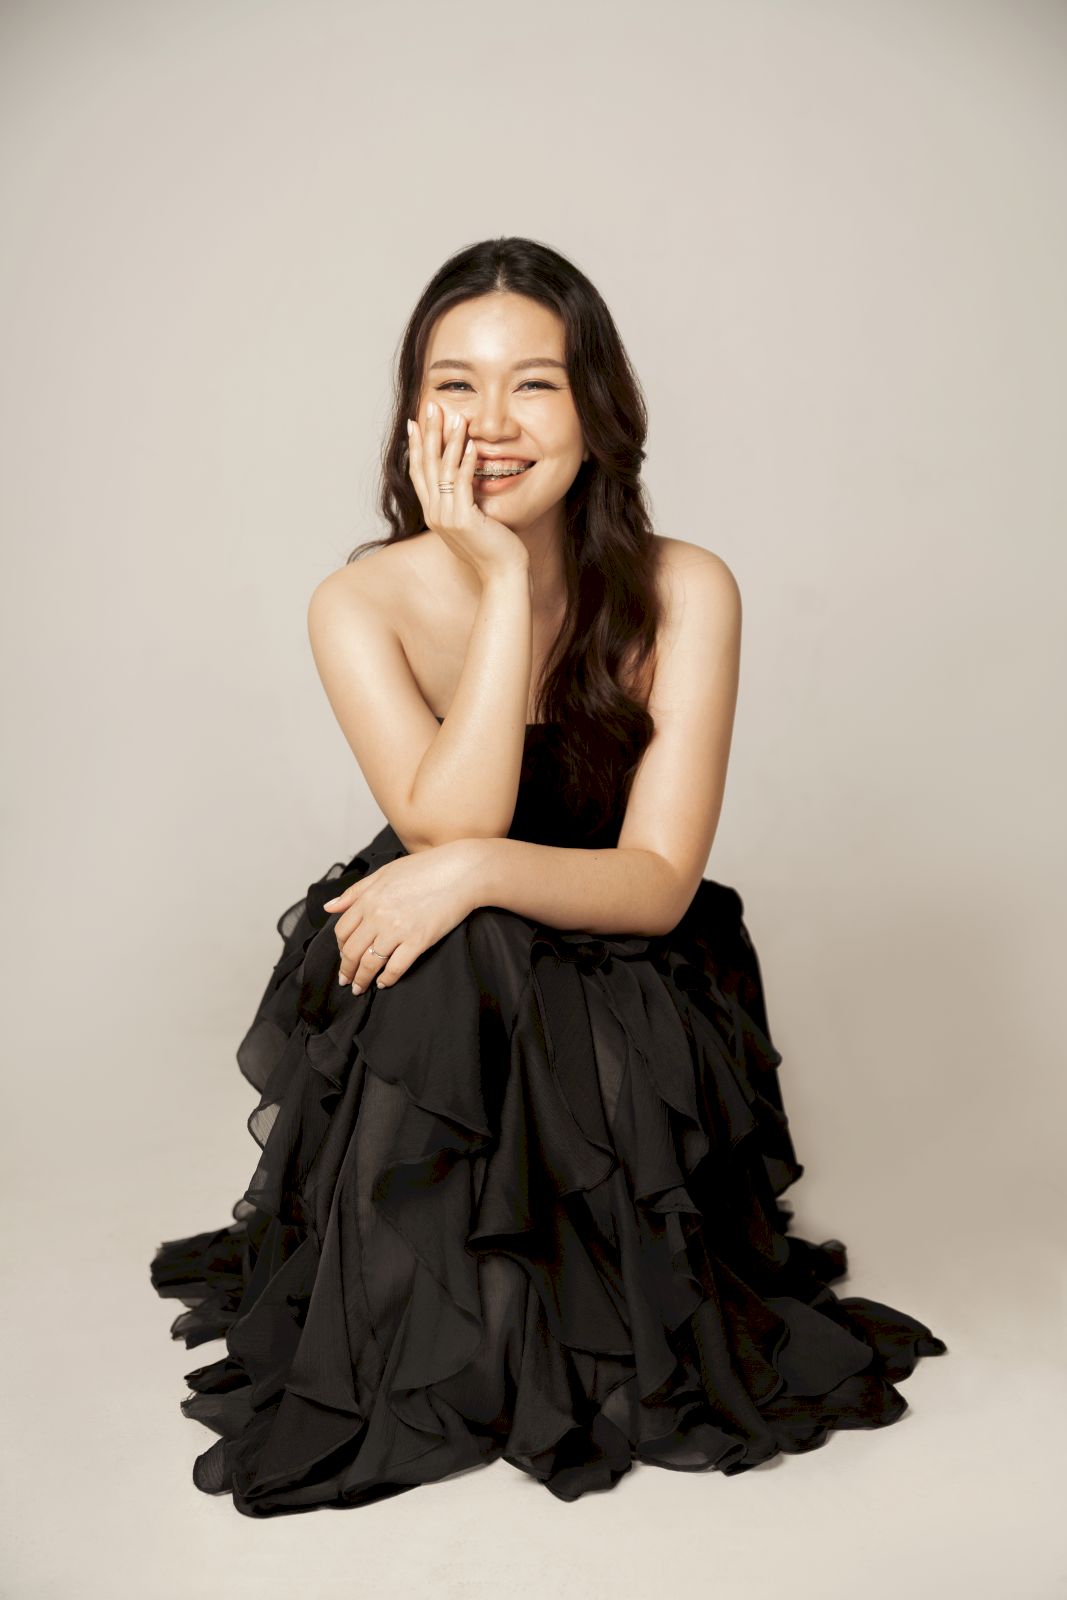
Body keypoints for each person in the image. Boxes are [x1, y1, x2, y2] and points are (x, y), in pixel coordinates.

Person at [149, 236, 947, 1518]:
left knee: (464, 920)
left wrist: (469, 868)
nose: (490, 422)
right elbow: (445, 821)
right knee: (445, 945)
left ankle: (542, 1317)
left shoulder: (687, 587)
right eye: (453, 386)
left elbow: (656, 882)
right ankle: (451, 1325)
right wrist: (503, 585)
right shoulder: (357, 603)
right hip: (443, 967)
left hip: (622, 952)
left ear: (597, 409)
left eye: (534, 383)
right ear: (413, 414)